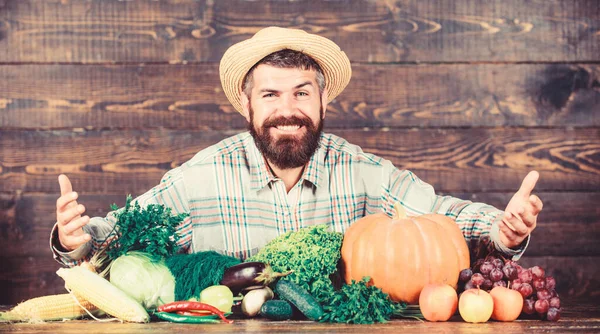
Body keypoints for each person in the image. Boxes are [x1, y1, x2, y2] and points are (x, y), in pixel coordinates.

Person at [51, 27, 543, 266]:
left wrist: (504, 228)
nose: (287, 109)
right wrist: (80, 240)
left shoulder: (364, 172)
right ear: (247, 105)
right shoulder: (201, 176)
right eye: (270, 94)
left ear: (323, 99)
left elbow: (438, 215)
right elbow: (122, 229)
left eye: (301, 93)